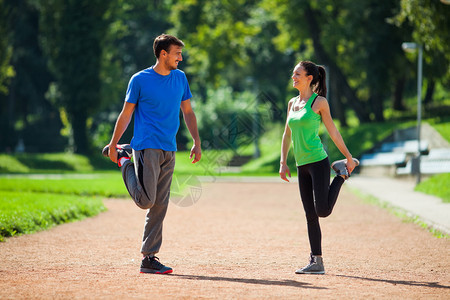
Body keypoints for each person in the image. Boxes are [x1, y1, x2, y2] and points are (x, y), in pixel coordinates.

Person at [103, 34, 201, 274]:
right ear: (163, 54)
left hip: (169, 147)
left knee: (159, 204)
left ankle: (149, 257)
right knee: (146, 200)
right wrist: (114, 144)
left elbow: (187, 111)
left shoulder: (180, 78)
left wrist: (196, 141)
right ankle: (126, 158)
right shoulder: (140, 80)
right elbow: (126, 114)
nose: (181, 57)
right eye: (177, 53)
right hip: (147, 145)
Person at [279, 60, 359, 275]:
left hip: (317, 162)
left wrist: (348, 157)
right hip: (300, 164)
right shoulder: (291, 103)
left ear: (309, 78)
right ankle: (317, 261)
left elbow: (333, 131)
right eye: (293, 73)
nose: (293, 77)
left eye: (297, 74)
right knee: (310, 215)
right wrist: (283, 162)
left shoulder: (319, 102)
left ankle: (341, 174)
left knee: (322, 210)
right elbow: (287, 134)